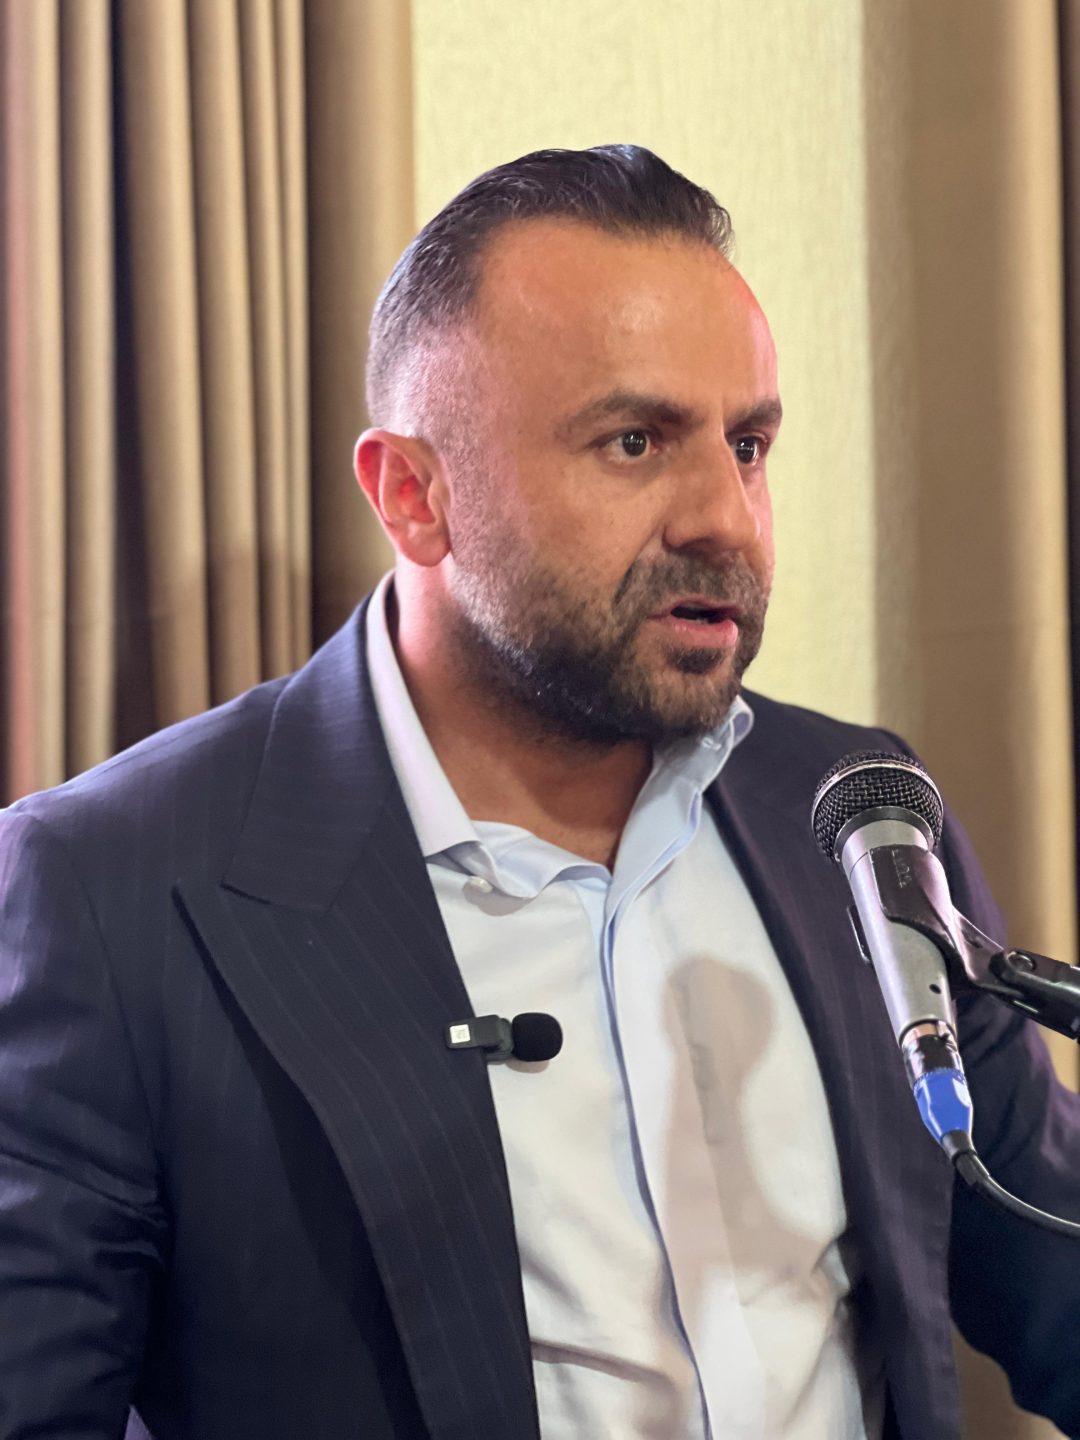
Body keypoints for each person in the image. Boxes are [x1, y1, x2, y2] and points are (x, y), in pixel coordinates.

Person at [0, 145, 1078, 1440]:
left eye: (748, 444)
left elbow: (1056, 1273)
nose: (727, 519)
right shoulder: (112, 890)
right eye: (634, 442)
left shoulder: (852, 810)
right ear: (414, 496)